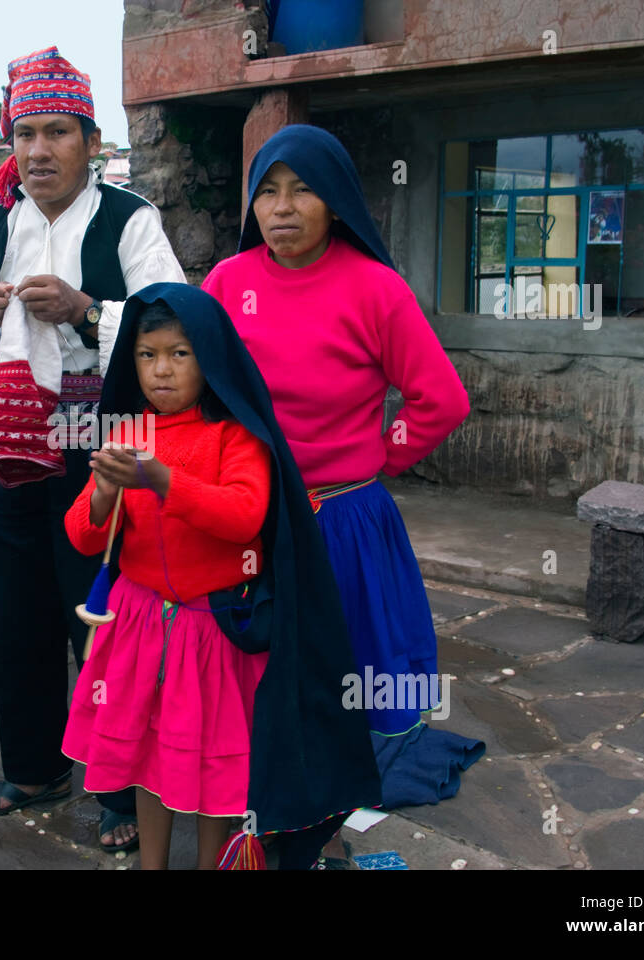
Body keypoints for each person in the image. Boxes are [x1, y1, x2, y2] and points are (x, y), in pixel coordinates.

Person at [0, 45, 185, 852]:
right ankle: (34, 765)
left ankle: (118, 792)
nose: (37, 151)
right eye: (23, 134)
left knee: (101, 623)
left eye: (55, 134)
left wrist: (84, 309)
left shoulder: (128, 220)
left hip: (97, 459)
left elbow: (172, 331)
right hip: (6, 456)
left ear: (91, 140)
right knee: (13, 624)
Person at [202, 124, 481, 868]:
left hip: (342, 517)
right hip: (254, 514)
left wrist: (376, 460)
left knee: (350, 667)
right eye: (268, 190)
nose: (283, 208)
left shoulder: (372, 287)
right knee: (257, 662)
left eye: (304, 190)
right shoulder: (229, 285)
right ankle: (264, 785)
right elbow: (200, 389)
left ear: (337, 203)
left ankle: (334, 801)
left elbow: (440, 399)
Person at [64, 283, 382, 870]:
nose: (161, 371)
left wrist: (162, 481)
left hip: (211, 631)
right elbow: (83, 536)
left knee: (213, 765)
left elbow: (242, 518)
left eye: (180, 354)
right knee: (145, 755)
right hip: (138, 626)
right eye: (147, 355)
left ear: (211, 357)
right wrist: (105, 491)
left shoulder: (235, 435)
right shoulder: (127, 434)